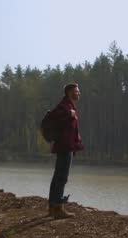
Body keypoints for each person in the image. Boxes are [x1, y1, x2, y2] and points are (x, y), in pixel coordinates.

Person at [48, 83, 84, 219]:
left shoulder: (69, 106)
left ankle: (53, 207)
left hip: (66, 147)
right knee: (61, 177)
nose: (79, 93)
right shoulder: (65, 106)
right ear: (69, 93)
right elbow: (54, 116)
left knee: (59, 177)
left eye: (79, 91)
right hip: (64, 147)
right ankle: (57, 208)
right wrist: (68, 113)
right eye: (76, 91)